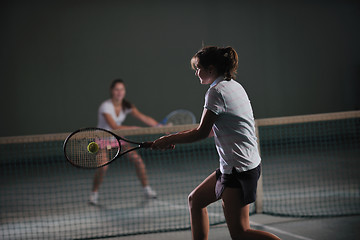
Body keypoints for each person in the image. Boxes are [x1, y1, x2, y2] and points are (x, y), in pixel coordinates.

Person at [151, 46, 280, 240]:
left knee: (241, 233)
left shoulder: (216, 92)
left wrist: (169, 139)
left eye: (198, 68)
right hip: (234, 166)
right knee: (195, 200)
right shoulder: (234, 85)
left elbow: (201, 133)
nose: (196, 73)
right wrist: (171, 138)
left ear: (211, 69)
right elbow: (212, 129)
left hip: (239, 170)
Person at [89, 78, 158, 204]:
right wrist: (133, 128)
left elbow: (144, 118)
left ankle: (147, 189)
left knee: (138, 161)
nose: (119, 92)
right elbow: (114, 127)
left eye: (122, 89)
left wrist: (159, 126)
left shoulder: (126, 106)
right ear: (112, 91)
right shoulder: (106, 106)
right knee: (103, 168)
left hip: (117, 140)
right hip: (103, 140)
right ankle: (94, 194)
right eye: (117, 89)